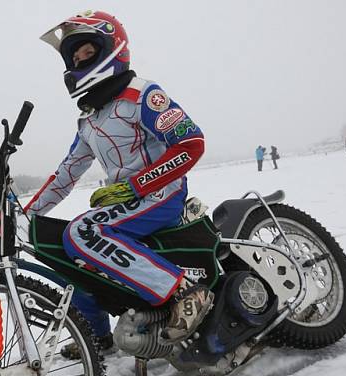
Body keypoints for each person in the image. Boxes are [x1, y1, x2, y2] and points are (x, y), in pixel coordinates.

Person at [27, 10, 212, 345]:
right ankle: (96, 338)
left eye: (88, 52)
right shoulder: (89, 119)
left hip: (161, 196)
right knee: (68, 253)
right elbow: (67, 173)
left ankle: (184, 291)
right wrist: (29, 212)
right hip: (129, 200)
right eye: (75, 56)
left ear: (112, 47)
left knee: (84, 232)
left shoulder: (142, 95)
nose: (81, 60)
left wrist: (136, 186)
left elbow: (190, 144)